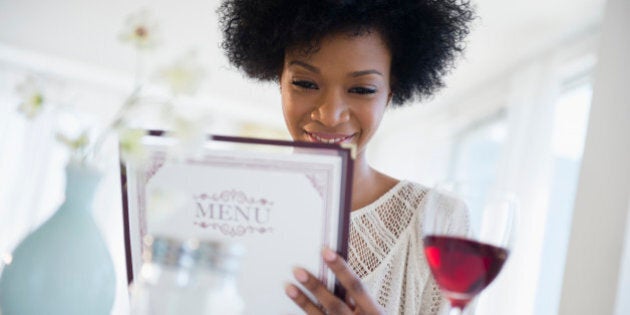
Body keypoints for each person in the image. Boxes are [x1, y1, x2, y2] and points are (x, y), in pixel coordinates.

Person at [218, 0, 474, 314]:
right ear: (280, 82)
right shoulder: (224, 206)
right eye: (305, 83)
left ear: (390, 93)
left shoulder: (439, 223)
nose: (330, 115)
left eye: (362, 89)